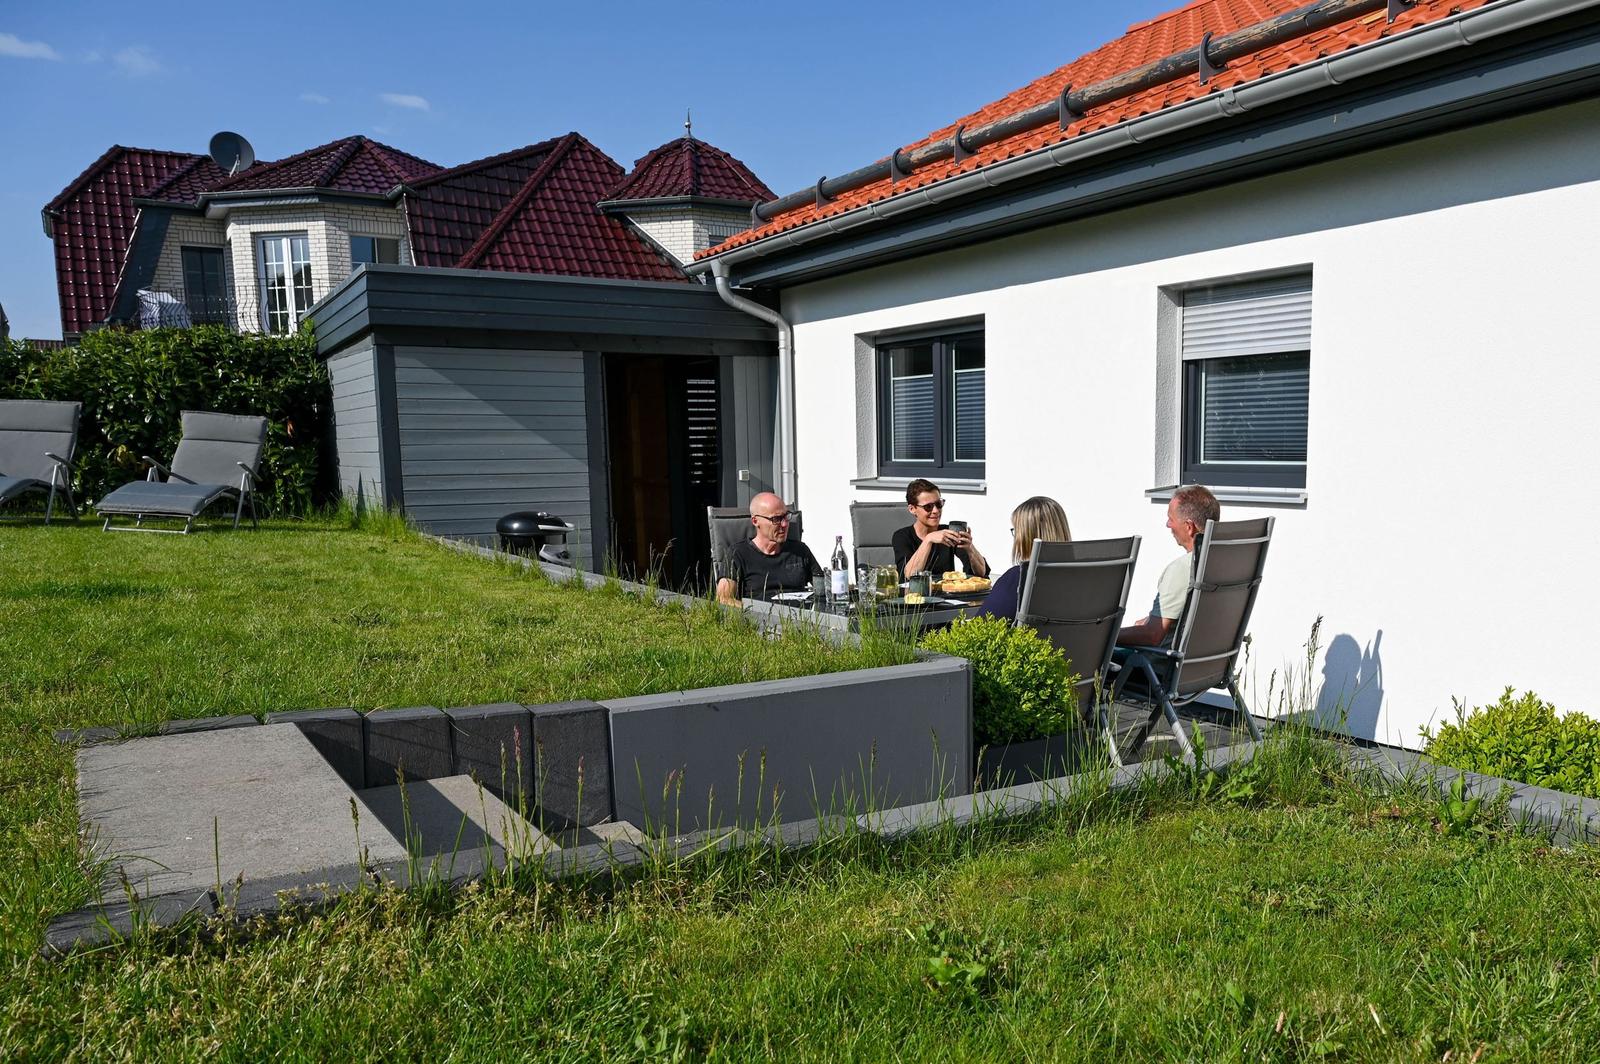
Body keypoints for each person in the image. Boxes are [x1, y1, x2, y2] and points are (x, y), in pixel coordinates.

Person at [1117, 484, 1221, 647]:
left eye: (1171, 519)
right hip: (1208, 666)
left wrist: (1107, 637)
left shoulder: (1182, 570)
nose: (1168, 525)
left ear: (1189, 527)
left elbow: (1152, 636)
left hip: (1157, 668)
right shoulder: (1225, 563)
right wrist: (1154, 618)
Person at [975, 496, 1072, 623]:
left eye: (1016, 531)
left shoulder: (1018, 578)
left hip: (1032, 643)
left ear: (1025, 536)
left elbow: (981, 629)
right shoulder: (1083, 578)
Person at [715, 492, 823, 605]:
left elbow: (825, 589)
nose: (785, 524)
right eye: (776, 519)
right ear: (755, 521)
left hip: (801, 619)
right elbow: (724, 599)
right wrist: (754, 613)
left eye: (786, 516)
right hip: (760, 619)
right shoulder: (737, 554)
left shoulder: (800, 551)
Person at [892, 478, 989, 580]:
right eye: (928, 507)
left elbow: (982, 573)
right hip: (917, 595)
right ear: (912, 509)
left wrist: (970, 548)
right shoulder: (902, 537)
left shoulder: (948, 533)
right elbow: (908, 575)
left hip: (947, 593)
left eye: (939, 504)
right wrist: (928, 540)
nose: (936, 511)